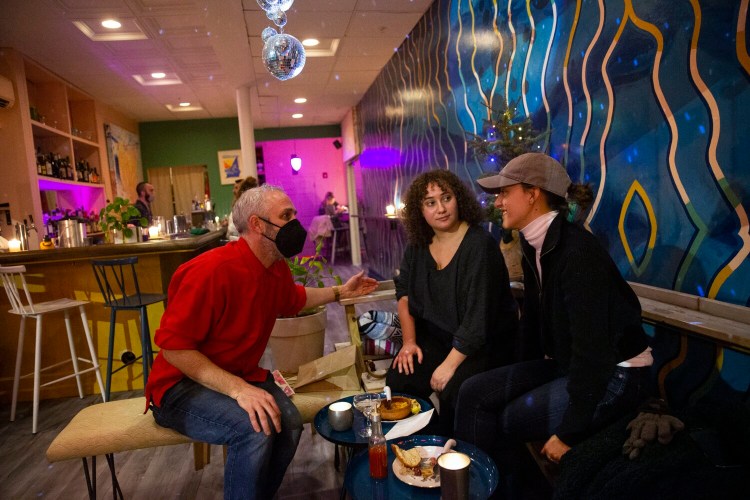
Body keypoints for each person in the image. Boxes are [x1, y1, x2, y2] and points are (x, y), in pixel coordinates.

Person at [145, 184, 378, 500]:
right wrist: (239, 390)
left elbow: (292, 298)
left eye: (294, 214)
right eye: (286, 216)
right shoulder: (210, 272)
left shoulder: (275, 265)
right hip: (179, 387)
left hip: (235, 375)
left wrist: (340, 292)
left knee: (290, 421)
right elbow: (174, 348)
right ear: (256, 224)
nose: (296, 223)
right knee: (254, 428)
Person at [455, 153, 652, 495]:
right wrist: (515, 379)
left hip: (617, 374)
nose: (498, 202)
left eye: (505, 192)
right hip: (569, 364)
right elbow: (531, 326)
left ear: (533, 193)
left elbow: (594, 353)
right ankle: (474, 490)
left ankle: (496, 491)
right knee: (472, 391)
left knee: (508, 420)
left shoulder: (576, 252)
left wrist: (568, 434)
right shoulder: (535, 247)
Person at [385, 170, 518, 435]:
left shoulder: (480, 246)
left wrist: (448, 366)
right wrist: (410, 343)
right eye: (430, 202)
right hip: (438, 337)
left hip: (482, 345)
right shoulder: (418, 244)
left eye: (446, 197)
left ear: (459, 199)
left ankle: (454, 457)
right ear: (419, 210)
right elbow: (404, 294)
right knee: (400, 379)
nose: (441, 208)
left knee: (453, 389)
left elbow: (478, 321)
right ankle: (423, 448)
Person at [226, 176, 258, 240]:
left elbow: (232, 230)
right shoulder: (238, 207)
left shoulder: (245, 207)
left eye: (236, 188)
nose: (233, 190)